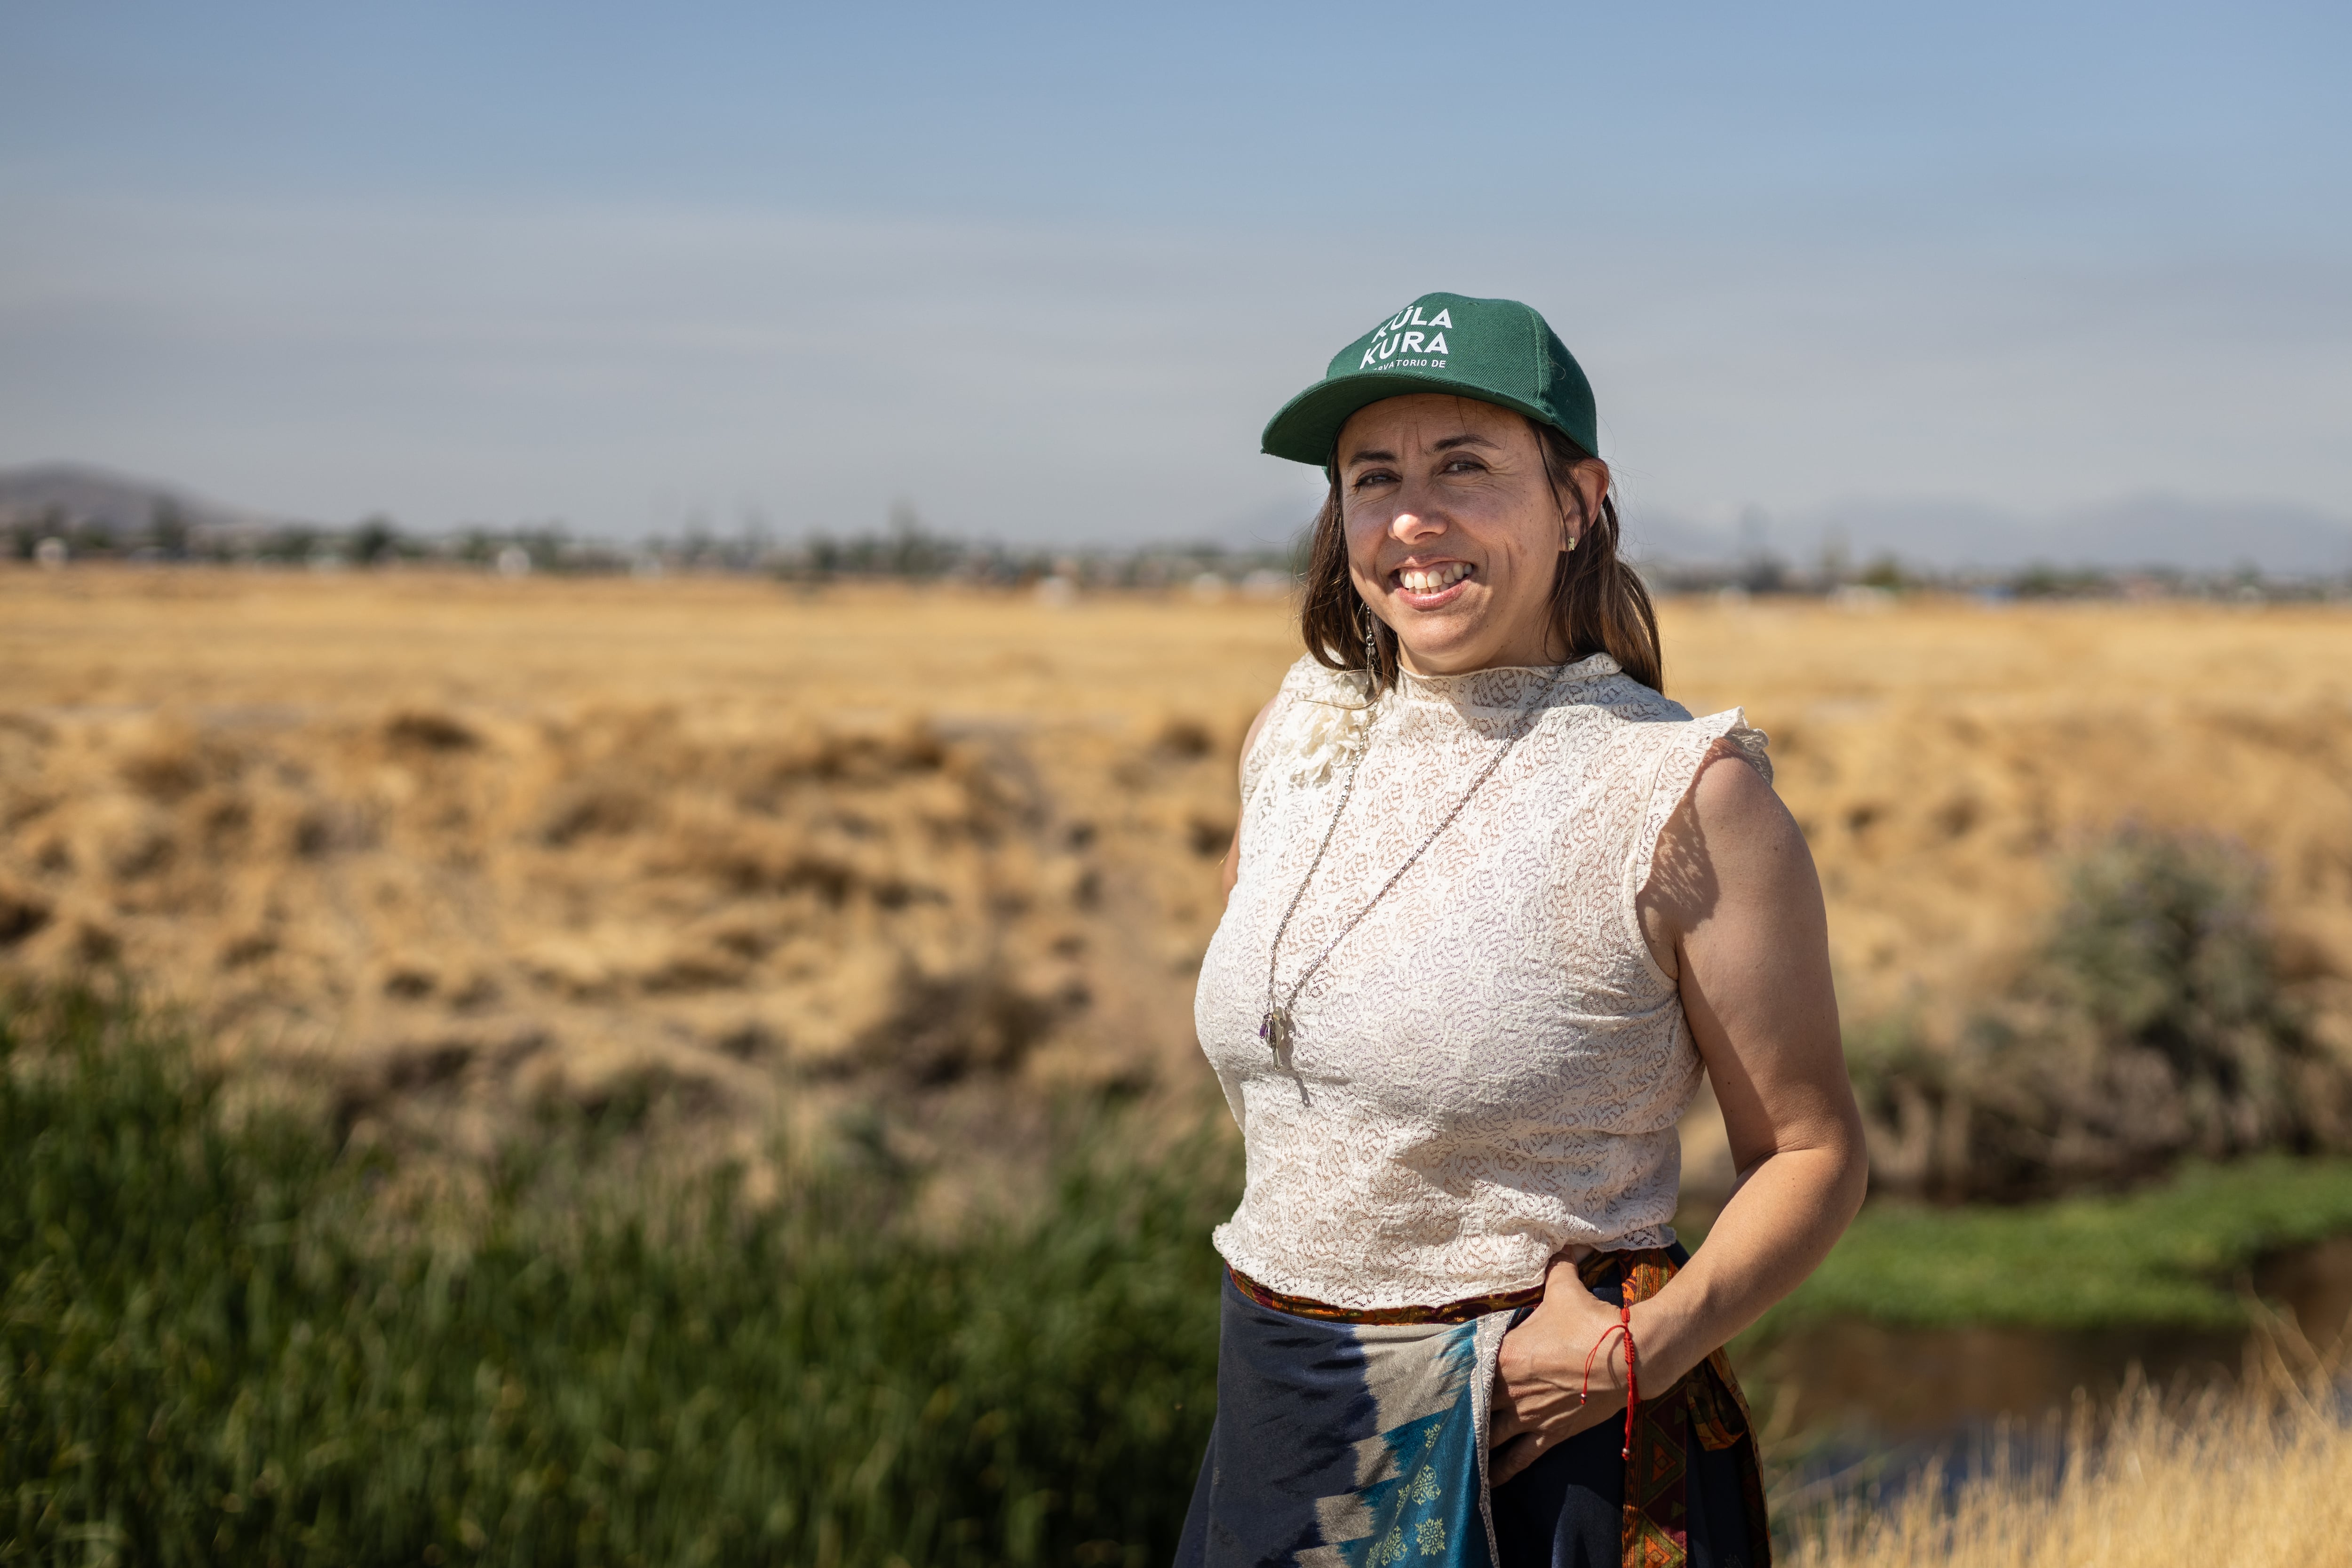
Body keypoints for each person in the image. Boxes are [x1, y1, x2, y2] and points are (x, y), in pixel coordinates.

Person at [1176, 293, 1867, 1568]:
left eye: (1465, 469)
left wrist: (1648, 1346)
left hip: (1543, 1443)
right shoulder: (1296, 735)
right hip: (1279, 1411)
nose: (1413, 518)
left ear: (1576, 501)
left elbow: (1814, 1153)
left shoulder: (1686, 791)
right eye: (1373, 478)